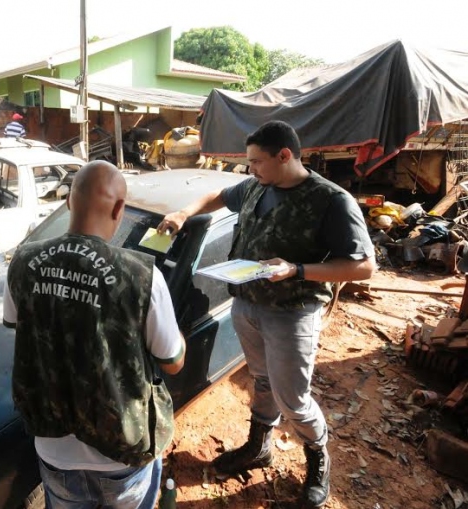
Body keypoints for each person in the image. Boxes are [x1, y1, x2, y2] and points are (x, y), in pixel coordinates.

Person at [158, 120, 376, 508]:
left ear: (285, 156)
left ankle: (317, 458)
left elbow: (363, 267)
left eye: (257, 162)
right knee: (261, 381)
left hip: (291, 313)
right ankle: (260, 446)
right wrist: (183, 213)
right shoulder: (257, 185)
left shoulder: (331, 200)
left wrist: (297, 269)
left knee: (292, 397)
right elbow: (217, 195)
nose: (251, 169)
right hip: (247, 305)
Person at [4, 160, 186, 508]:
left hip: (54, 447)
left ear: (69, 201)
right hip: (121, 450)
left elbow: (21, 329)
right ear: (120, 207)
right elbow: (173, 362)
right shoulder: (142, 275)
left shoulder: (23, 261)